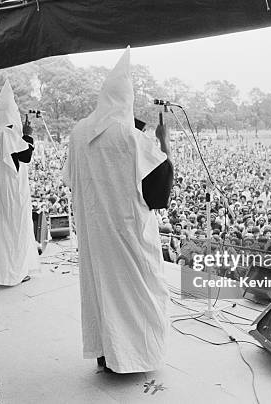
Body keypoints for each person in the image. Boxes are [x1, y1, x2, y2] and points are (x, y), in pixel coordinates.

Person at [63, 47, 173, 373]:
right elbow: (159, 194)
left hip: (94, 233)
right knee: (138, 293)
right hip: (128, 234)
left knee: (102, 292)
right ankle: (136, 356)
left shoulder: (78, 132)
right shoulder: (131, 138)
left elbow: (71, 179)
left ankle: (106, 354)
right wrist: (163, 141)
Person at [0, 80, 39, 286]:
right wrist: (28, 134)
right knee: (15, 232)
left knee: (4, 234)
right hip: (12, 195)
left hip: (1, 194)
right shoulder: (7, 134)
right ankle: (14, 272)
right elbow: (26, 156)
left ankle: (5, 271)